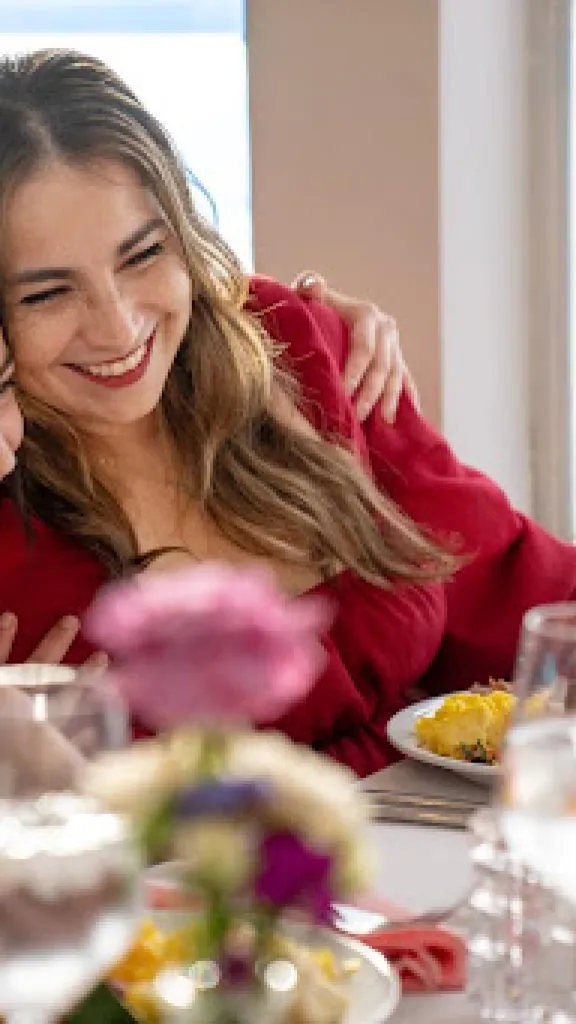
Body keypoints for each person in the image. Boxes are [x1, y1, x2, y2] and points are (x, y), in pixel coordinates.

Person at [0, 49, 575, 778]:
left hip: (444, 868)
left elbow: (525, 596)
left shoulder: (295, 342)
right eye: (46, 294)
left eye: (143, 254)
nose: (117, 329)